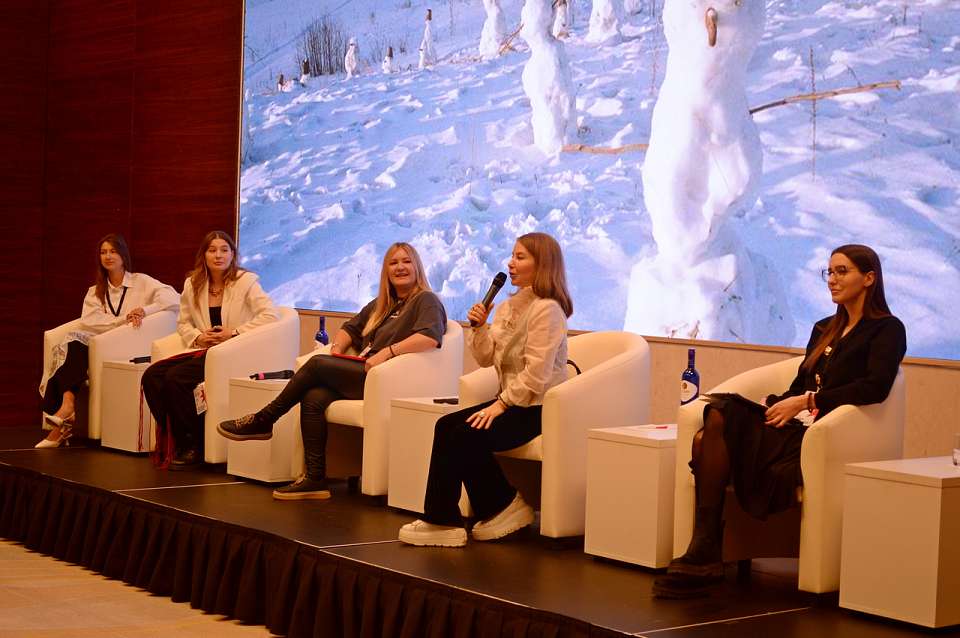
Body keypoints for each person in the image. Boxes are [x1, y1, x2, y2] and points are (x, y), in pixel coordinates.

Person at [654, 244, 907, 598]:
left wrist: (810, 401)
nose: (832, 280)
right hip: (797, 424)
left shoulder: (887, 330)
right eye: (829, 272)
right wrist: (776, 402)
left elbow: (876, 386)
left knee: (711, 432)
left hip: (828, 436)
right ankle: (705, 547)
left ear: (869, 278)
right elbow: (800, 384)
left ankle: (707, 549)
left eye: (841, 272)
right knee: (717, 415)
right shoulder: (824, 328)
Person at [218, 242, 448, 499]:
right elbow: (350, 328)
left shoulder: (425, 300)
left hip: (389, 378)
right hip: (364, 372)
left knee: (316, 364)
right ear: (385, 271)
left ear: (417, 266)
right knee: (313, 397)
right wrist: (337, 348)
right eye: (393, 263)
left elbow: (429, 337)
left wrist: (387, 352)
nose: (400, 267)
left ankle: (264, 419)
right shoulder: (382, 304)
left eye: (406, 261)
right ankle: (315, 478)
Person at [398, 232, 573, 548]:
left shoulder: (548, 310)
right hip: (510, 402)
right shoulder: (506, 309)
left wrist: (500, 405)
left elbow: (537, 374)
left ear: (542, 264)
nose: (511, 262)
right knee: (447, 425)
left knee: (466, 433)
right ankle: (474, 509)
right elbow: (485, 358)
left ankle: (476, 510)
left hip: (536, 409)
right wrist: (479, 328)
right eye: (512, 255)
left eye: (520, 257)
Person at [141, 231, 277, 469]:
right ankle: (179, 439)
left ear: (233, 254)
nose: (218, 255)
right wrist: (198, 336)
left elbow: (270, 316)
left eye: (224, 250)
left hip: (233, 353)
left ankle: (193, 445)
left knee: (176, 378)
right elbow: (183, 322)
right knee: (152, 376)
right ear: (203, 255)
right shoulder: (193, 284)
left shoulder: (246, 282)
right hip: (205, 351)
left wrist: (233, 332)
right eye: (212, 250)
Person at [37, 233, 179, 448]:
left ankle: (64, 414)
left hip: (129, 343)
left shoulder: (141, 281)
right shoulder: (95, 291)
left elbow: (174, 298)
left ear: (123, 254)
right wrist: (122, 320)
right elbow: (89, 321)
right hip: (99, 343)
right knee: (73, 344)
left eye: (113, 251)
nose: (108, 256)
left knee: (74, 345)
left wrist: (145, 310)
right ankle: (67, 406)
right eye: (103, 252)